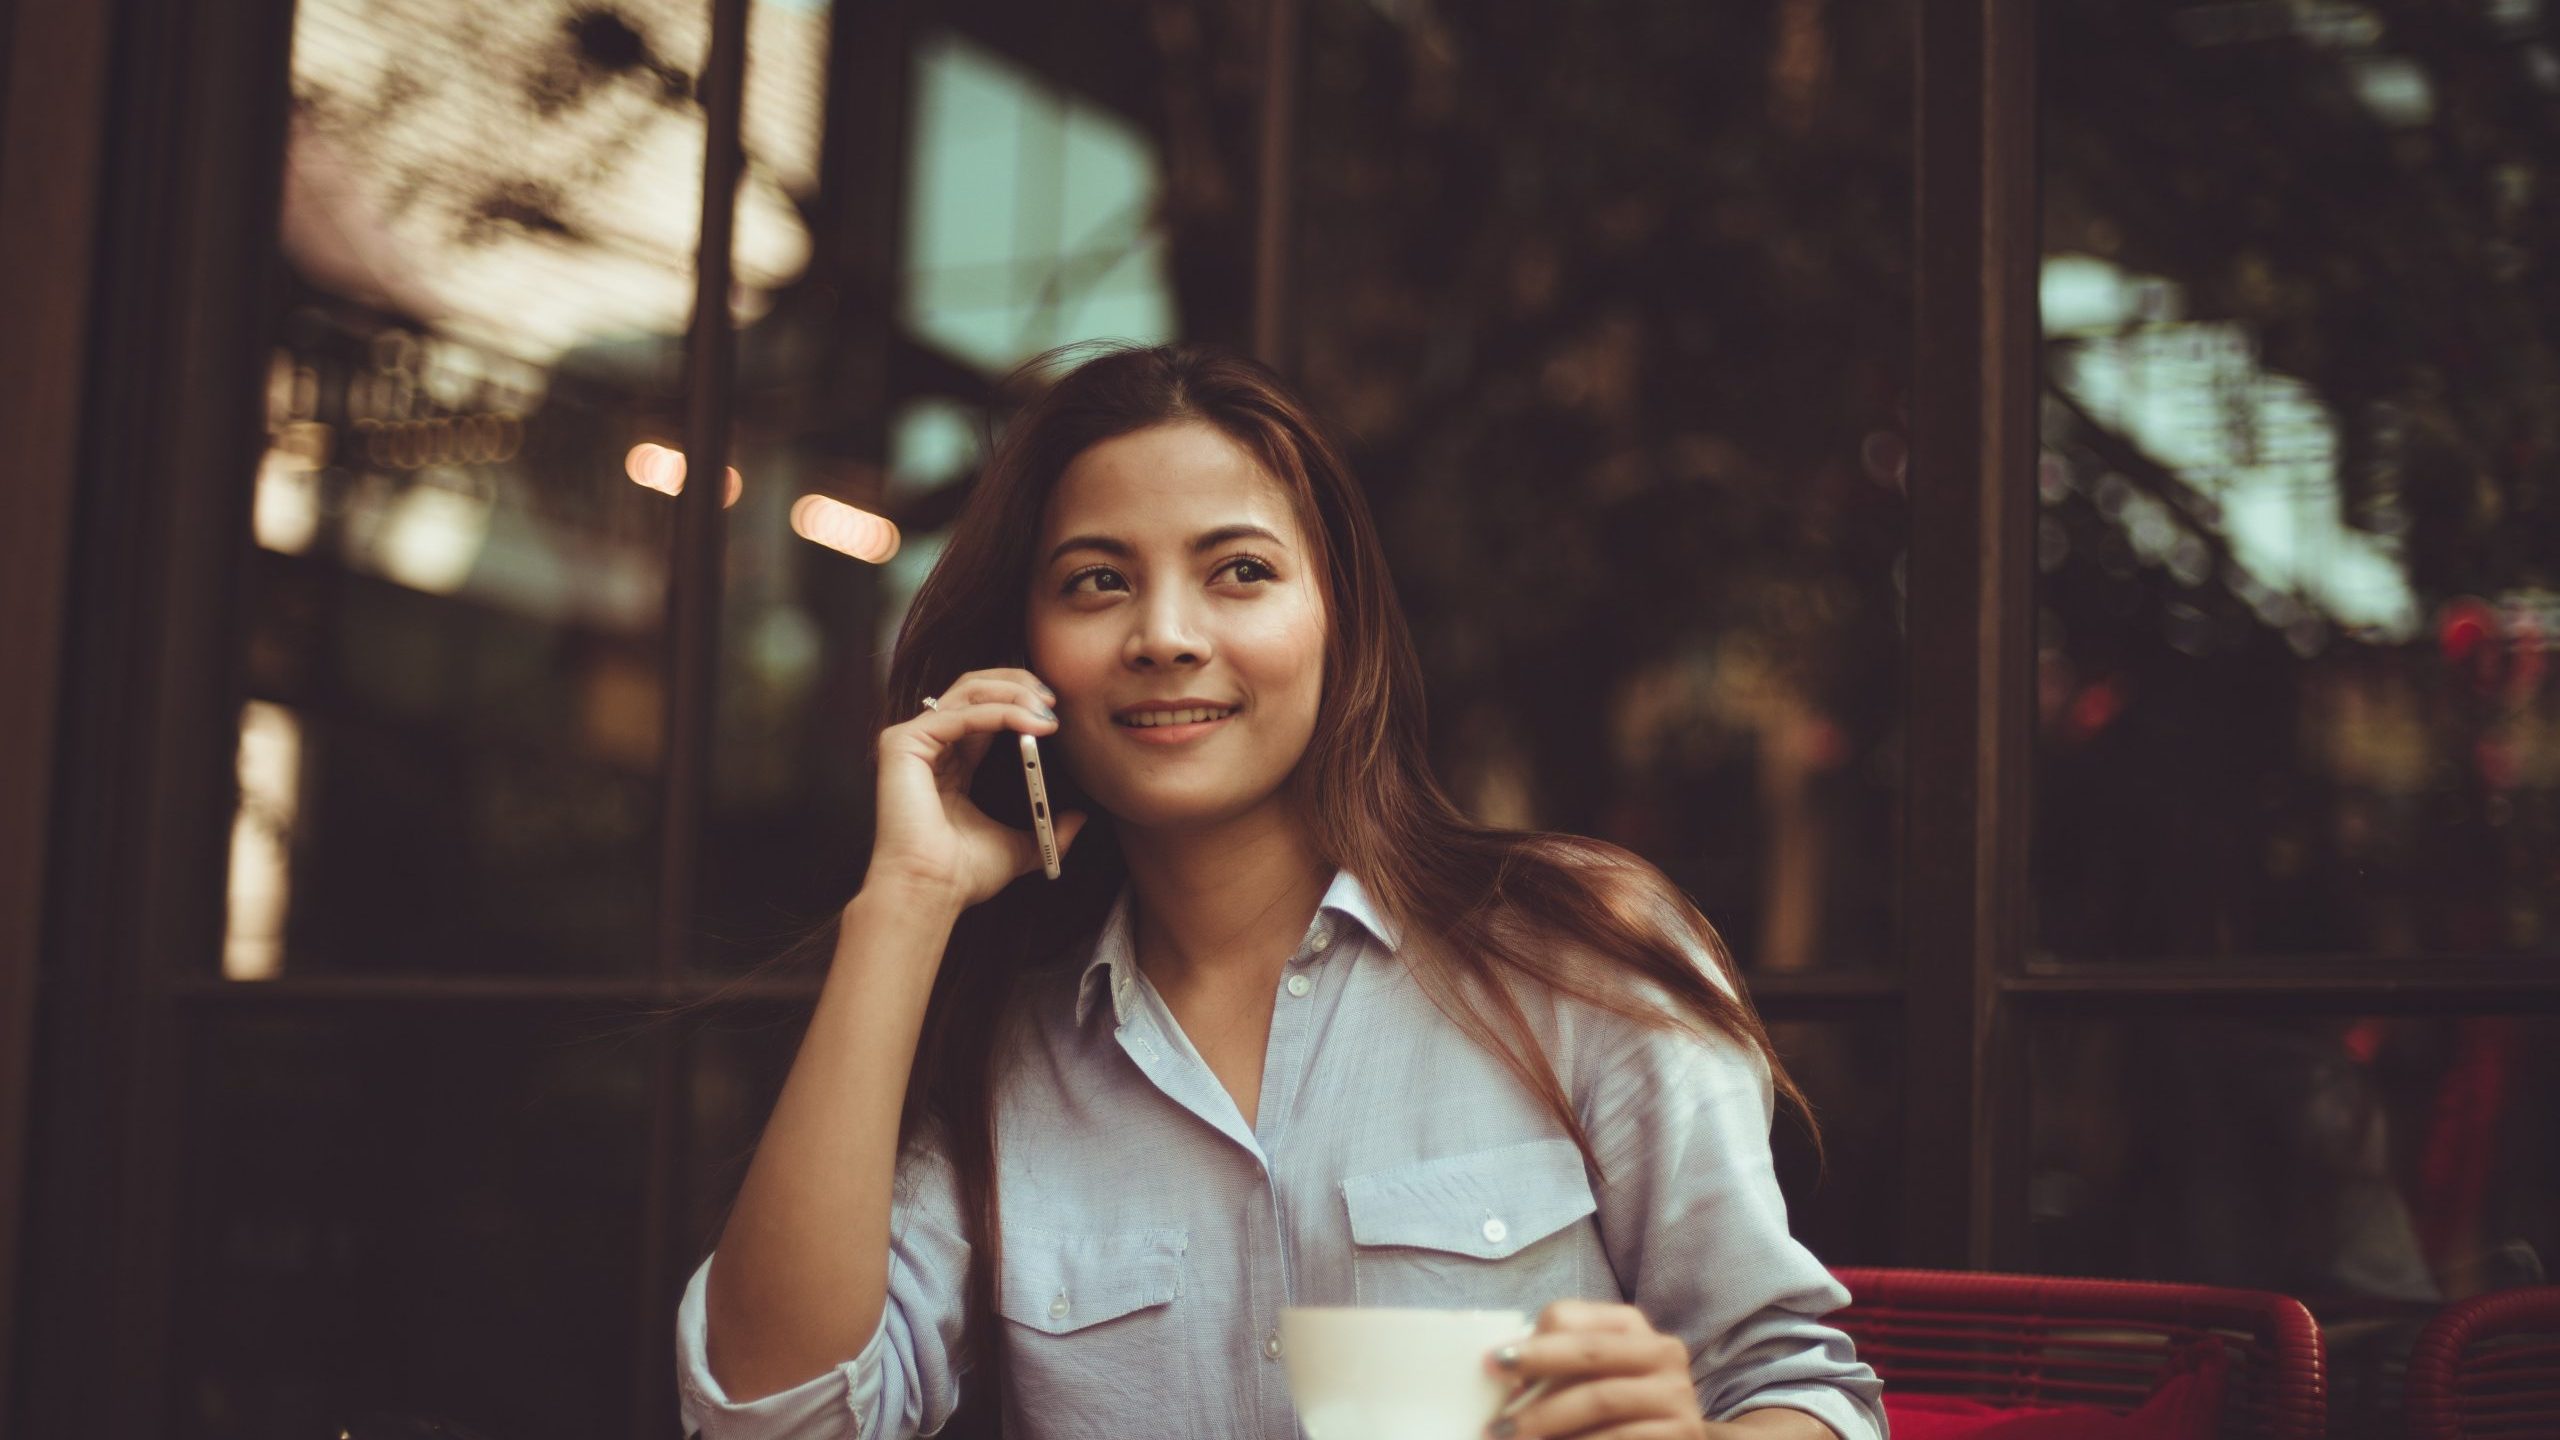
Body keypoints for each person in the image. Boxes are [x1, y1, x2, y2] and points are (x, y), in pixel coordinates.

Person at [675, 342, 1884, 1440]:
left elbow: (1801, 1385)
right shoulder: (1003, 1056)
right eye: (1097, 582)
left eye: (1239, 571)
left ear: (1336, 625)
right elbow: (771, 1425)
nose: (1164, 634)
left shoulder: (1570, 950)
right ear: (1027, 656)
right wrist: (902, 905)